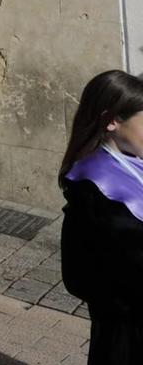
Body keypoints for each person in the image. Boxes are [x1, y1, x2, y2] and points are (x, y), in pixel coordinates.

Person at [60, 69, 143, 364]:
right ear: (112, 121)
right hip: (125, 332)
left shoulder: (134, 164)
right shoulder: (94, 187)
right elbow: (77, 274)